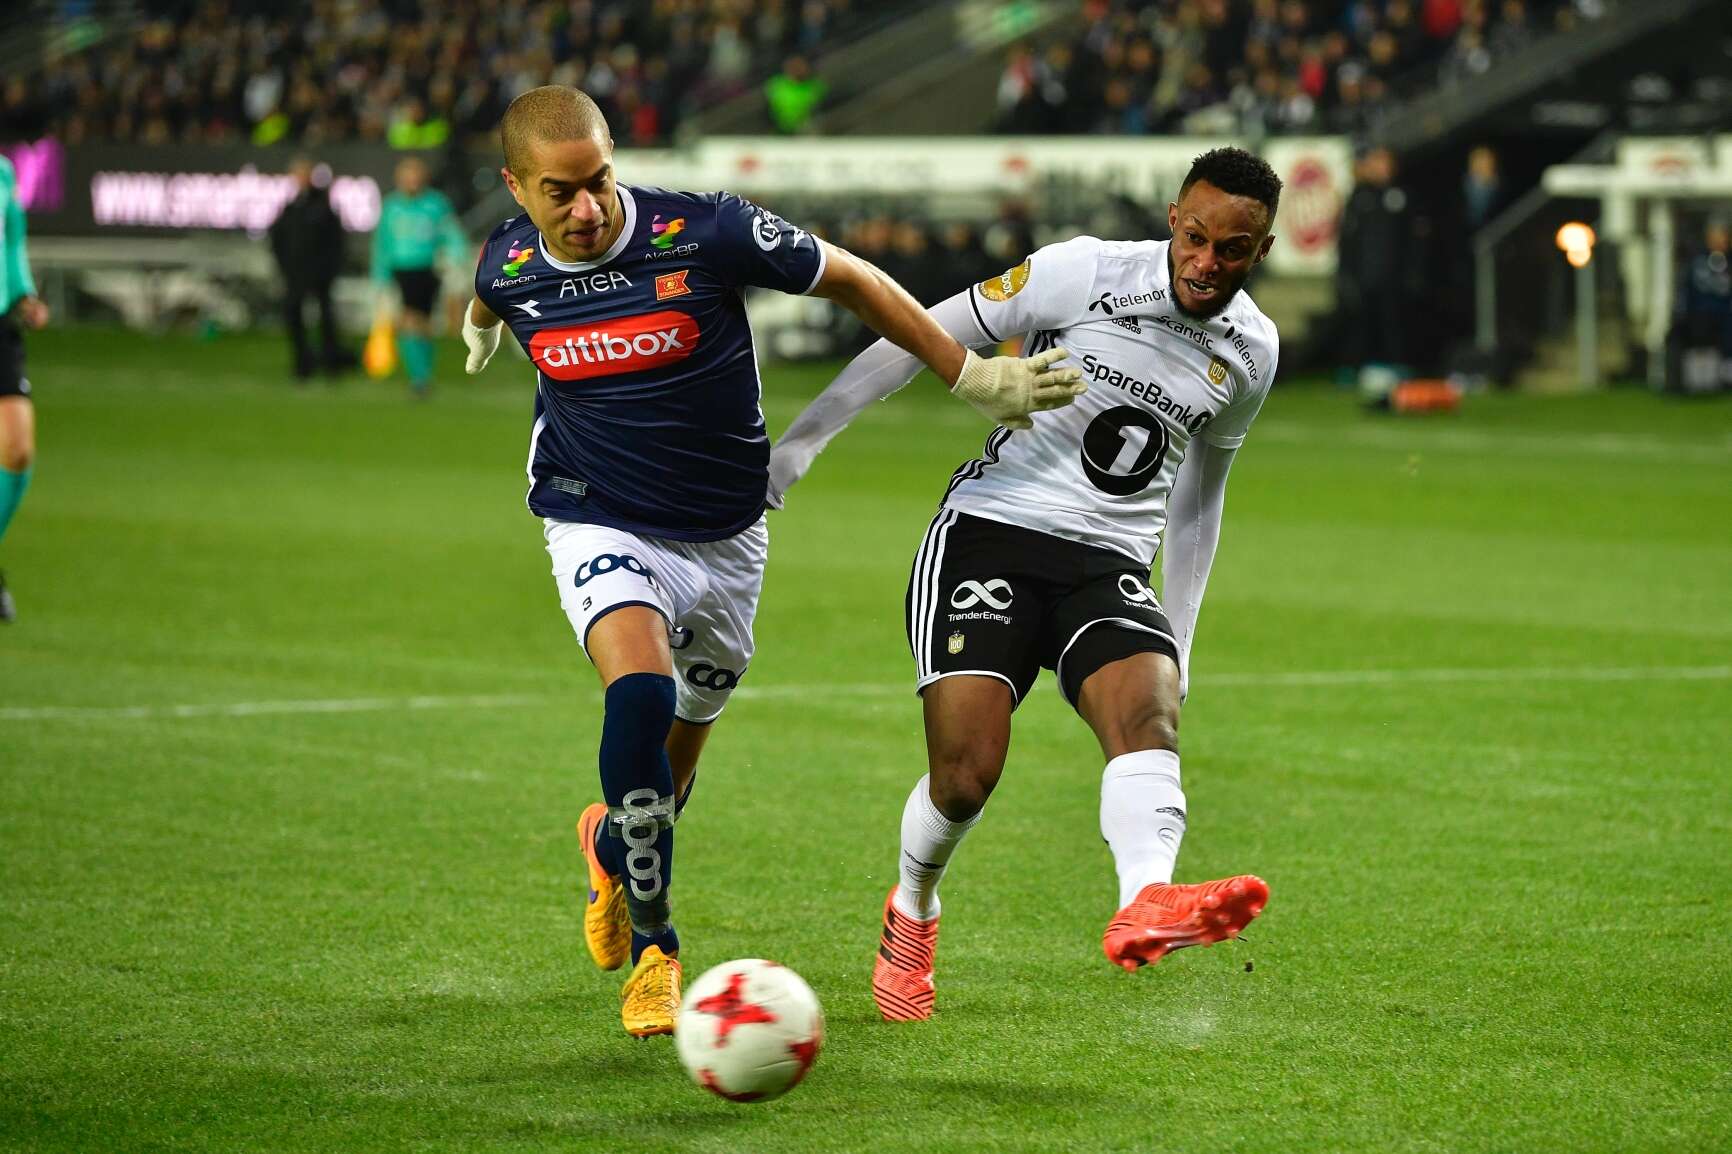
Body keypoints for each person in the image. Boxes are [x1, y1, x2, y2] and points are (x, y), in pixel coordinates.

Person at [457, 86, 1084, 1038]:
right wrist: (480, 323)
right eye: (559, 193)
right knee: (639, 696)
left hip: (728, 534)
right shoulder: (508, 259)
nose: (586, 209)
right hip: (597, 517)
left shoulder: (705, 232)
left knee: (670, 768)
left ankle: (612, 843)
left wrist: (969, 373)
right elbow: (491, 286)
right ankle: (657, 950)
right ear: (515, 187)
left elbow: (856, 280)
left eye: (600, 182)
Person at [770, 147, 1282, 1021]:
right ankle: (913, 905)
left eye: (1231, 250)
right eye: (1194, 238)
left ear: (1261, 251)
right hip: (991, 536)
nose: (1205, 263)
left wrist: (1180, 640)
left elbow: (1201, 496)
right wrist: (800, 445)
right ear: (1172, 218)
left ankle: (1146, 898)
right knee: (966, 776)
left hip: (1108, 563)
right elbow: (916, 332)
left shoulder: (1252, 350)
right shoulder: (1083, 272)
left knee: (1149, 717)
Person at [372, 157, 469, 395]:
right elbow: (382, 243)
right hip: (402, 269)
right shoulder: (392, 206)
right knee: (408, 320)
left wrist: (456, 258)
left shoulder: (435, 204)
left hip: (427, 268)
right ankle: (419, 377)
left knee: (423, 323)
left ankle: (423, 374)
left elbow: (451, 232)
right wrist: (380, 274)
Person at [0, 153, 48, 623]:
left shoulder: (3, 172)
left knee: (18, 451)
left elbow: (12, 240)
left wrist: (24, 294)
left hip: (0, 326)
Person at [268, 158, 348, 380]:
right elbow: (278, 239)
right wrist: (284, 266)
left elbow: (336, 242)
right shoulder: (290, 207)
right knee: (294, 313)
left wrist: (330, 268)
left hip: (320, 273)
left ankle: (331, 363)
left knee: (325, 317)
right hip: (295, 273)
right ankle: (302, 362)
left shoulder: (323, 205)